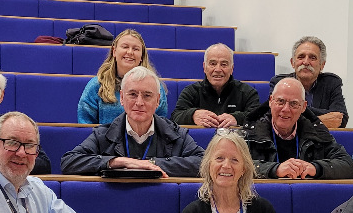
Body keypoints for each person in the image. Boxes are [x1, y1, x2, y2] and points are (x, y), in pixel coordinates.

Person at [62, 66, 204, 177]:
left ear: (158, 101)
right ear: (122, 98)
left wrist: (152, 164)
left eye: (147, 95)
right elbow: (69, 162)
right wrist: (117, 161)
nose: (139, 102)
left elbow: (204, 163)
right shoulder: (103, 134)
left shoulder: (177, 134)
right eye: (133, 94)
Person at [178, 129, 280, 213]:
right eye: (219, 158)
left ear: (244, 168)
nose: (226, 165)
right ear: (209, 164)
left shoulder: (264, 211)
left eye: (234, 160)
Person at [245, 78, 353, 179]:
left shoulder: (317, 132)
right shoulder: (250, 132)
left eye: (294, 104)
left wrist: (316, 168)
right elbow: (236, 165)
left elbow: (347, 165)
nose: (286, 109)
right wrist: (274, 169)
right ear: (270, 101)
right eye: (280, 101)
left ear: (303, 107)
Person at [77, 29, 168, 124]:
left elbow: (160, 123)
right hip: (103, 138)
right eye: (125, 47)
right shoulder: (96, 85)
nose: (130, 52)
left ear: (141, 56)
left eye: (135, 49)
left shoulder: (154, 86)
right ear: (114, 52)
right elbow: (85, 123)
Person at [171, 43, 261, 127]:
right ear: (204, 67)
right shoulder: (190, 91)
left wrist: (237, 118)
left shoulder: (248, 92)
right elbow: (175, 117)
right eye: (213, 64)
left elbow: (259, 117)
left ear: (232, 69)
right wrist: (192, 115)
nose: (218, 69)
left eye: (224, 64)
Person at [269, 36, 348, 128]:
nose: (306, 62)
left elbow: (341, 119)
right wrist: (320, 121)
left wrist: (295, 115)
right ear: (292, 63)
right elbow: (274, 116)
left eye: (312, 58)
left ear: (322, 65)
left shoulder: (331, 83)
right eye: (301, 57)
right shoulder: (280, 83)